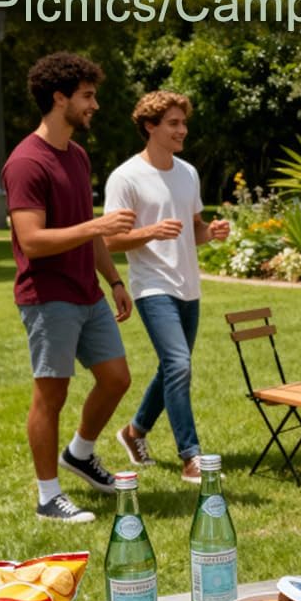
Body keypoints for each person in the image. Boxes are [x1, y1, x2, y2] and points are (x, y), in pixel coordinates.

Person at [3, 51, 136, 524]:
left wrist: (114, 279)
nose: (94, 105)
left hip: (87, 292)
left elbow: (88, 229)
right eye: (87, 96)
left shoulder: (77, 156)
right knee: (51, 396)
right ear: (59, 99)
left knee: (117, 378)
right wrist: (95, 225)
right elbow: (33, 242)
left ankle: (79, 454)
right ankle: (47, 496)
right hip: (48, 297)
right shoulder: (25, 163)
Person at [103, 90, 230, 484]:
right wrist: (151, 232)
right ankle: (190, 457)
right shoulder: (125, 177)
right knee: (179, 364)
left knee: (171, 368)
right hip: (151, 286)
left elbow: (193, 230)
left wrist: (212, 232)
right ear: (150, 126)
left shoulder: (187, 173)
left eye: (183, 123)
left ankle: (135, 431)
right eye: (173, 123)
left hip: (188, 286)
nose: (182, 130)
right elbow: (109, 241)